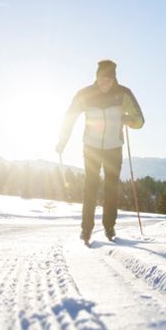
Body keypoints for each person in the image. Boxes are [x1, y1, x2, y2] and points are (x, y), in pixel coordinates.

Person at [56, 60, 144, 245]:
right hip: (91, 147)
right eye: (102, 79)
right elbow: (69, 117)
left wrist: (127, 119)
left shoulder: (123, 94)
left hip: (114, 147)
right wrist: (62, 141)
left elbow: (140, 121)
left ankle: (109, 226)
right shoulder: (85, 94)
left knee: (111, 188)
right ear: (96, 78)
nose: (105, 84)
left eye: (109, 80)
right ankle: (86, 229)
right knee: (90, 186)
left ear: (114, 79)